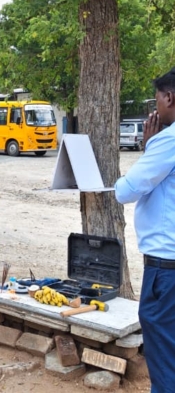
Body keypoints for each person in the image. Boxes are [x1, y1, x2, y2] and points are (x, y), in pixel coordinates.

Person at [115, 67, 175, 392]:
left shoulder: (168, 140)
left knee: (164, 360)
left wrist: (150, 148)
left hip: (166, 269)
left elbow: (126, 190)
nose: (157, 109)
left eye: (157, 100)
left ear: (169, 97)